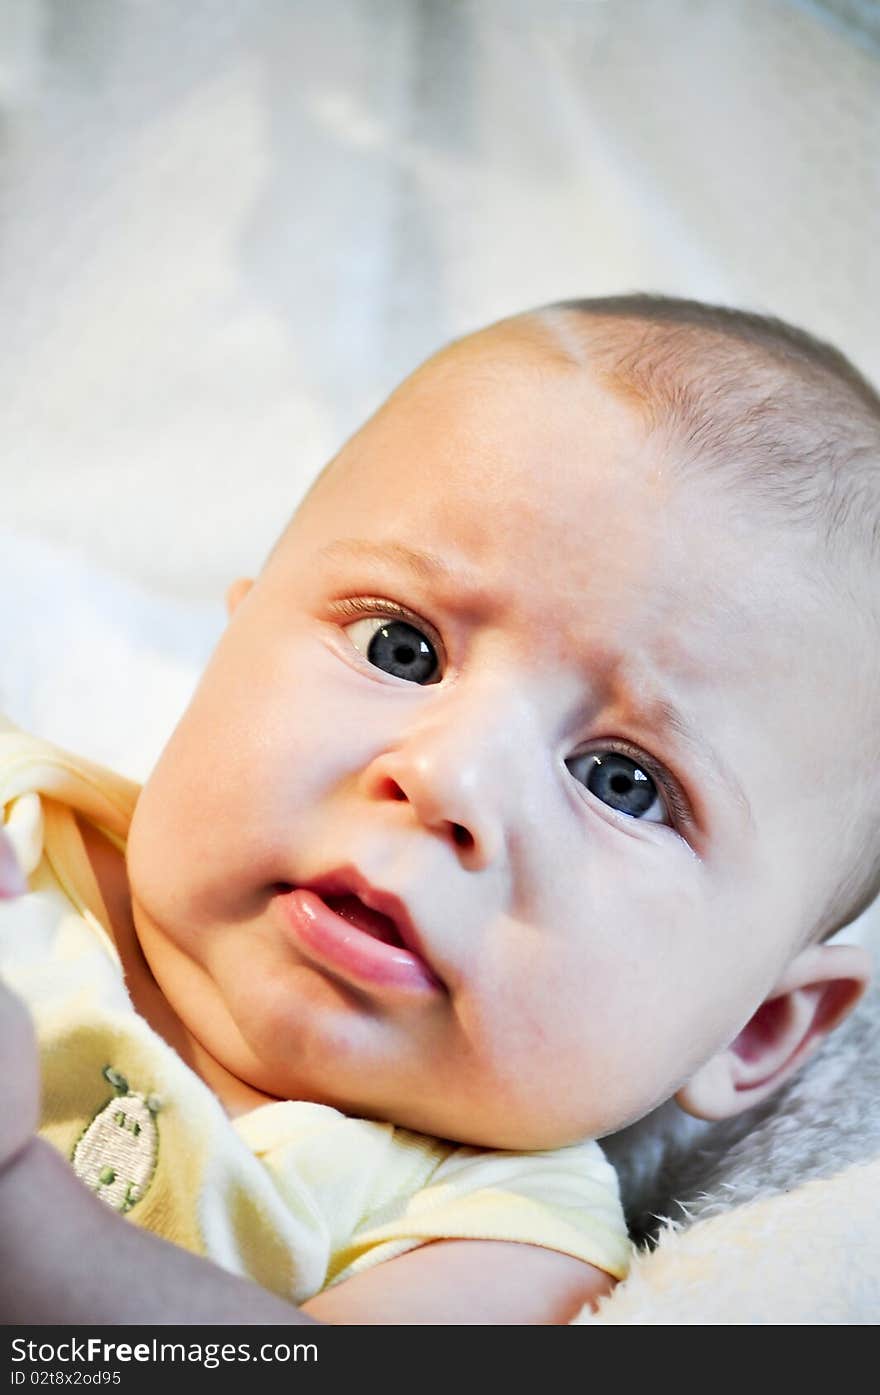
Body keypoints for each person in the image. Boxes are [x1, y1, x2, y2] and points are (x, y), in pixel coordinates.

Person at [0, 293, 877, 1326]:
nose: (449, 778)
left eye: (622, 782)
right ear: (224, 650)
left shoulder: (503, 1241)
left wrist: (25, 1206)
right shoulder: (25, 814)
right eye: (398, 648)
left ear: (753, 1028)